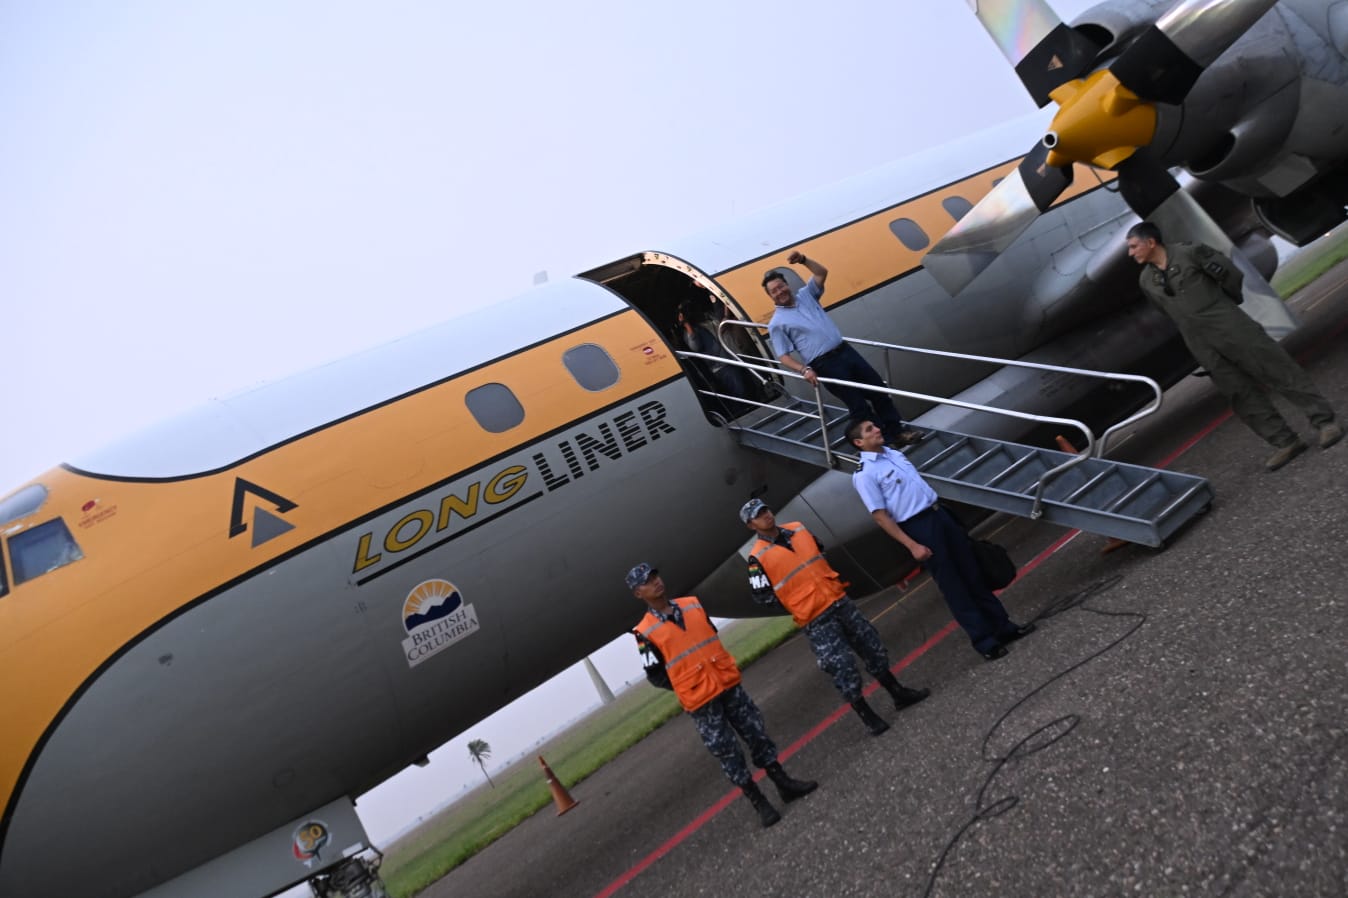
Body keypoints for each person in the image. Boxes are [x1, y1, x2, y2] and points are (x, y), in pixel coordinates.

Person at [1125, 222, 1343, 471]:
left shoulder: (1191, 253)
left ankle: (1325, 422)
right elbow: (1165, 310)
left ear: (1151, 242)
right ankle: (1285, 441)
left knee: (1277, 370)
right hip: (1201, 343)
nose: (1131, 253)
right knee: (1239, 393)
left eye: (1134, 246)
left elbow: (1230, 276)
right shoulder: (1147, 280)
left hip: (1231, 326)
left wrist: (1222, 309)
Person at [626, 562, 818, 827]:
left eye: (655, 576)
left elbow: (709, 635)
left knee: (757, 734)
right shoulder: (644, 632)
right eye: (647, 581)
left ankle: (784, 783)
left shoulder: (692, 605)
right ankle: (760, 803)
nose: (655, 582)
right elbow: (656, 675)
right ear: (638, 593)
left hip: (728, 685)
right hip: (701, 701)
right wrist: (687, 683)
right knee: (728, 753)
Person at [847, 418, 1036, 661]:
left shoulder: (893, 453)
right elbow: (880, 517)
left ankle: (1004, 627)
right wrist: (912, 545)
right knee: (953, 585)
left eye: (875, 425)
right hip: (918, 526)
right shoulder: (865, 475)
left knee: (973, 573)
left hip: (939, 514)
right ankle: (984, 641)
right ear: (859, 442)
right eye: (869, 429)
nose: (877, 429)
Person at [740, 498, 930, 736]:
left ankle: (898, 693)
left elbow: (818, 551)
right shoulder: (757, 558)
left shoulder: (798, 529)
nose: (766, 515)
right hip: (816, 618)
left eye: (765, 509)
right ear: (751, 525)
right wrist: (798, 602)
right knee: (842, 666)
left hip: (839, 601)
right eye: (758, 515)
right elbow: (763, 597)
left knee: (872, 647)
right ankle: (867, 715)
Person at [763, 251, 923, 446]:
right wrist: (804, 370)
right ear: (770, 296)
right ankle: (883, 441)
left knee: (878, 390)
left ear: (787, 285)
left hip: (845, 351)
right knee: (858, 405)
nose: (780, 292)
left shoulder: (806, 295)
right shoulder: (777, 323)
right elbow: (783, 356)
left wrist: (803, 260)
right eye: (774, 291)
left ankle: (897, 432)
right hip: (825, 364)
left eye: (781, 286)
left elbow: (821, 273)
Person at [677, 299, 755, 417]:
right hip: (721, 366)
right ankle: (745, 416)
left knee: (747, 387)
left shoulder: (709, 319)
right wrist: (686, 324)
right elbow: (695, 346)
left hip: (734, 357)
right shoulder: (692, 331)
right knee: (739, 393)